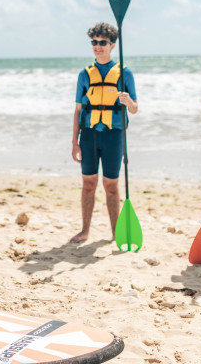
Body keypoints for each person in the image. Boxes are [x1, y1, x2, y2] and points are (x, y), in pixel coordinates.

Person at [70, 22, 137, 243]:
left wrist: (129, 102)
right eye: (94, 42)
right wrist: (74, 142)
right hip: (89, 136)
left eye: (102, 43)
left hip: (113, 136)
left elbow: (135, 109)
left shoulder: (124, 73)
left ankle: (116, 233)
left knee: (111, 185)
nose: (98, 46)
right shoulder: (85, 74)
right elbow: (78, 110)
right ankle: (85, 230)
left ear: (112, 45)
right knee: (88, 183)